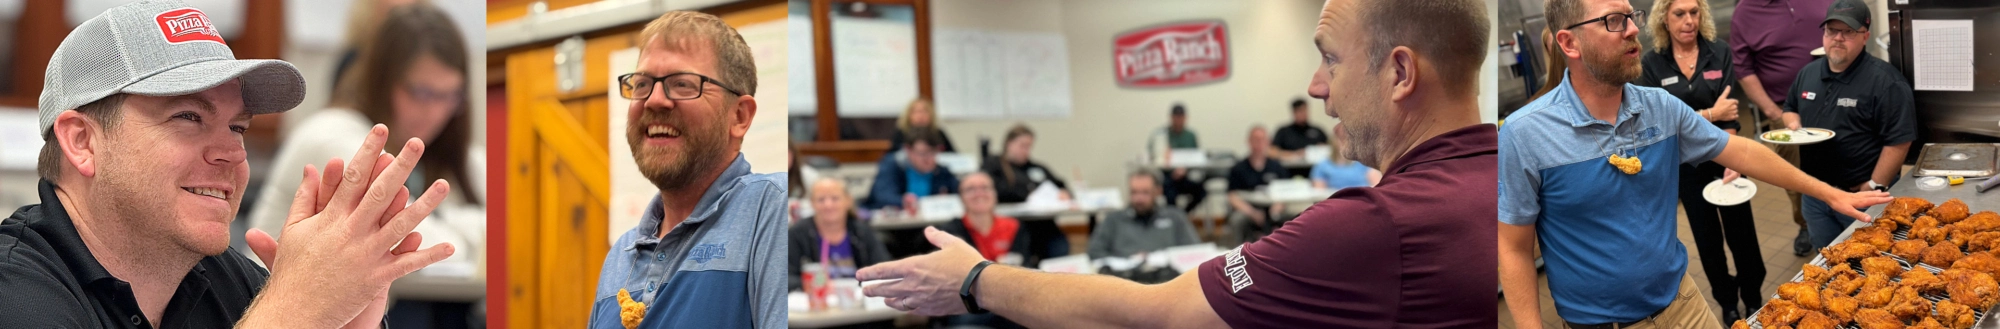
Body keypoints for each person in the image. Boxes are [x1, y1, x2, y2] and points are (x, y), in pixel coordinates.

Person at [856, 0, 1499, 326]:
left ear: (1400, 72)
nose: (1315, 85)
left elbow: (1158, 315)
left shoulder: (1372, 226)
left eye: (1330, 58)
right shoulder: (1511, 177)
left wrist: (974, 280)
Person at [0, 1, 457, 327]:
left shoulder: (229, 282)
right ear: (82, 142)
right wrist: (294, 311)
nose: (233, 154)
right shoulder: (15, 290)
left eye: (237, 127)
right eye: (188, 117)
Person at [1497, 0, 1894, 327]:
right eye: (1613, 22)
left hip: (1682, 305)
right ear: (1569, 42)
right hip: (1598, 323)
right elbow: (1513, 248)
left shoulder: (1658, 107)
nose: (1634, 29)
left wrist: (1829, 194)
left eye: (1631, 17)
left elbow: (1740, 151)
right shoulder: (1525, 133)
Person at [249, 2, 484, 283]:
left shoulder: (447, 151)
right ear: (383, 83)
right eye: (422, 92)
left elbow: (510, 229)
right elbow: (422, 245)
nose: (435, 112)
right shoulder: (332, 135)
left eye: (450, 95)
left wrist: (444, 221)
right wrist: (465, 225)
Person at [589, 11, 787, 329]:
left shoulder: (771, 210)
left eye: (682, 84)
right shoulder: (620, 257)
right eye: (641, 84)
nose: (654, 100)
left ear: (739, 116)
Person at [1629, 0, 1763, 322]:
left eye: (1694, 12)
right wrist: (1710, 114)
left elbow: (1730, 112)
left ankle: (1754, 297)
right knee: (1707, 241)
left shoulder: (1719, 52)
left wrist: (1735, 156)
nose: (1689, 20)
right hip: (1685, 168)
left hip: (1725, 157)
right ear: (1664, 19)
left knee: (1742, 234)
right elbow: (1657, 123)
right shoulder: (1652, 65)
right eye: (1679, 14)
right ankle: (1728, 303)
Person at [1784, 0, 1916, 249]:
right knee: (1826, 256)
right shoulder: (1808, 74)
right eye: (1831, 31)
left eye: (1848, 32)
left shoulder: (1886, 83)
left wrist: (1874, 185)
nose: (1838, 38)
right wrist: (1793, 126)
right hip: (1815, 193)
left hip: (1859, 196)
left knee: (1870, 261)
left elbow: (1899, 140)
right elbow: (1789, 108)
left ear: (1865, 36)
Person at [1733, 0, 1835, 257]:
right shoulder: (1745, 11)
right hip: (1785, 108)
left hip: (1835, 97)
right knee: (1793, 173)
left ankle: (1844, 214)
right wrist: (1772, 112)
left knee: (1842, 157)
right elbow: (1743, 68)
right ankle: (1806, 226)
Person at [931, 172, 1032, 329]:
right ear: (961, 198)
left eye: (985, 188)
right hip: (969, 306)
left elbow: (1024, 267)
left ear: (995, 193)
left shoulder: (1013, 226)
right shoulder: (950, 232)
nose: (979, 193)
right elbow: (953, 277)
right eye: (971, 189)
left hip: (1009, 301)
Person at [789, 178, 892, 290]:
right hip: (815, 301)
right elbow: (784, 277)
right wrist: (811, 284)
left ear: (847, 201)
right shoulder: (798, 234)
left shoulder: (861, 231)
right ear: (812, 203)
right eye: (821, 199)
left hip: (858, 298)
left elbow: (884, 269)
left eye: (835, 198)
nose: (828, 205)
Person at [1088, 171, 1200, 259]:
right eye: (1134, 192)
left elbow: (1194, 251)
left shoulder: (1175, 217)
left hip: (1167, 281)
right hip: (1124, 281)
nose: (1139, 199)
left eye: (1145, 192)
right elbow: (1094, 252)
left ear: (1158, 191)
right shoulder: (1113, 220)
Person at [1226, 126, 1293, 244]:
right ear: (1249, 142)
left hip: (1274, 208)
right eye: (1255, 139)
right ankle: (1237, 254)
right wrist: (1252, 212)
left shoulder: (1277, 167)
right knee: (1237, 220)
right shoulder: (1239, 168)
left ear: (1268, 142)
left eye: (1262, 139)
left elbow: (1286, 192)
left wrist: (1277, 207)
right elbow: (1232, 196)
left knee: (1296, 217)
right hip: (1249, 209)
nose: (1259, 143)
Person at [865, 127, 959, 210]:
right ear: (908, 150)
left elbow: (959, 192)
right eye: (922, 153)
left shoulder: (942, 171)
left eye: (933, 152)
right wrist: (902, 201)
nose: (928, 159)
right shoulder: (892, 165)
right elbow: (882, 196)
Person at [1150, 103, 1207, 213]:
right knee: (1168, 191)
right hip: (1168, 175)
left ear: (1185, 118)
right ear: (1171, 117)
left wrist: (1184, 170)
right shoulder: (1161, 135)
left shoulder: (1191, 135)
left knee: (1201, 190)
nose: (1178, 120)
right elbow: (1155, 156)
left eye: (1181, 117)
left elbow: (1195, 157)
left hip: (1186, 174)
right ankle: (1174, 216)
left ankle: (1182, 215)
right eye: (1176, 116)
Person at [888, 98, 958, 153]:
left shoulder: (938, 133)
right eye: (916, 112)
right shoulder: (901, 133)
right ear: (908, 115)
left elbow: (953, 155)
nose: (920, 116)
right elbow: (892, 157)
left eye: (924, 111)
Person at [1308, 139, 1380, 190]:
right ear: (1334, 141)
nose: (1346, 142)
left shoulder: (1364, 162)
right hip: (1336, 203)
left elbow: (1378, 186)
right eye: (1341, 138)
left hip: (1363, 201)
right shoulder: (1322, 166)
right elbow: (1319, 193)